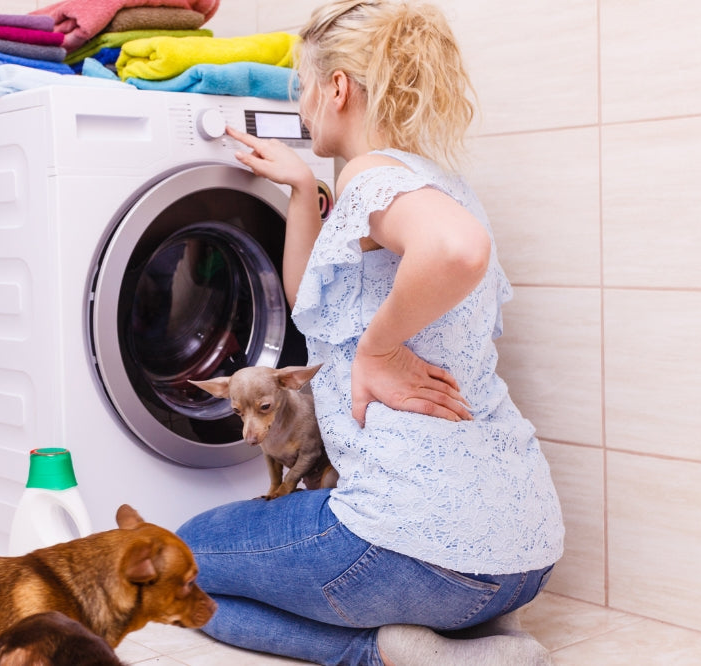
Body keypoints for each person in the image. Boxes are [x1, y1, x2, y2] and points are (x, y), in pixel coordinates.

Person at [175, 1, 565, 665]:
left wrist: (380, 351)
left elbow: (455, 250)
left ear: (338, 89)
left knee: (180, 563)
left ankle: (391, 654)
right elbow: (314, 306)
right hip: (524, 555)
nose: (300, 108)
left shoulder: (372, 173)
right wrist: (301, 189)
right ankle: (478, 639)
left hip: (410, 552)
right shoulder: (438, 183)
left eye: (303, 88)